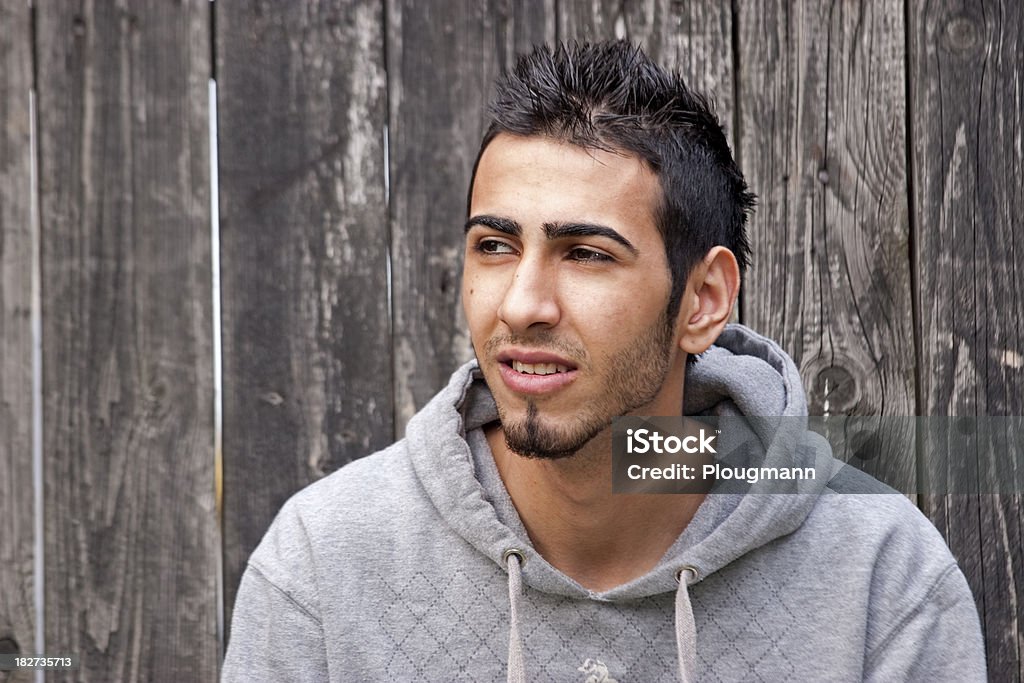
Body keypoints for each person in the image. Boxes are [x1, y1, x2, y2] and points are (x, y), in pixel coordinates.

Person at [222, 41, 986, 682]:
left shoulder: (882, 577)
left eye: (585, 253)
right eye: (495, 245)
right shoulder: (324, 565)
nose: (521, 304)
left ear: (703, 300)